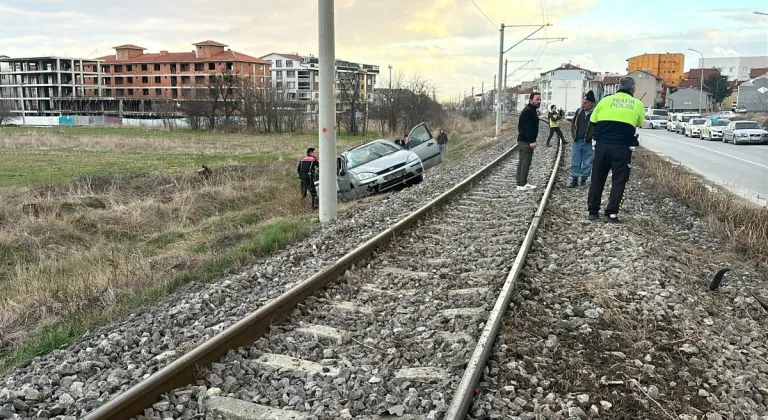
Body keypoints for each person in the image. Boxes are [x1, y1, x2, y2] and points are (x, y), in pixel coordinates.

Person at [585, 76, 645, 223]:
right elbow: (640, 123)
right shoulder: (637, 104)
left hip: (602, 146)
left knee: (597, 178)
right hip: (622, 147)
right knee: (619, 180)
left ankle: (593, 212)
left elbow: (593, 121)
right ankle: (611, 214)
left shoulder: (605, 101)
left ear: (618, 87)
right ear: (633, 89)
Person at [569, 91, 597, 188]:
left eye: (585, 103)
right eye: (582, 102)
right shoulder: (579, 111)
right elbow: (573, 123)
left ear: (591, 103)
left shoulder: (595, 113)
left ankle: (583, 180)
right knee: (575, 160)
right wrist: (574, 135)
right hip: (578, 140)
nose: (583, 105)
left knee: (587, 161)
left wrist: (593, 137)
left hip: (589, 142)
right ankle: (574, 179)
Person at [516, 91, 541, 191]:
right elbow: (527, 128)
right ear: (531, 100)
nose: (539, 101)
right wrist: (531, 141)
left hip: (523, 140)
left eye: (540, 99)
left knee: (522, 162)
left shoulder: (530, 110)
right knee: (525, 162)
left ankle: (520, 183)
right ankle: (522, 184)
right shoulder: (528, 111)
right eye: (537, 99)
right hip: (526, 141)